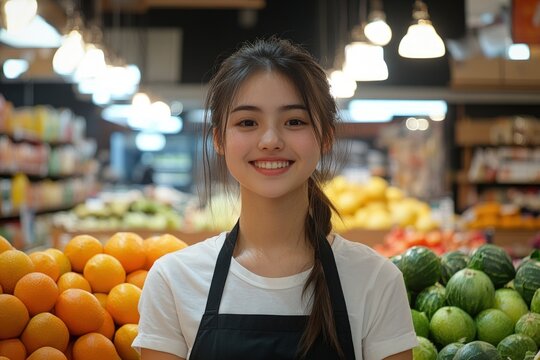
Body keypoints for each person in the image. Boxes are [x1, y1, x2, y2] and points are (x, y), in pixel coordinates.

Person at [132, 37, 418, 360]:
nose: (270, 140)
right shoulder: (173, 281)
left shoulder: (376, 281)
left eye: (294, 121)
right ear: (219, 140)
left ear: (325, 137)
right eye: (247, 122)